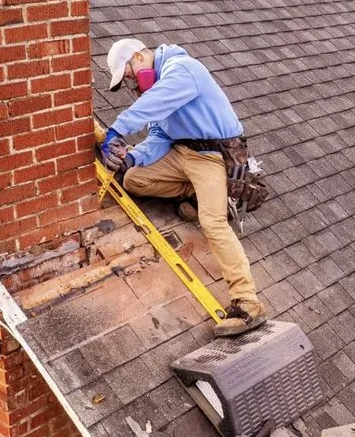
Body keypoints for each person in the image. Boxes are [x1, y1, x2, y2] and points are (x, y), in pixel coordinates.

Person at [100, 38, 267, 337]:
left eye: (127, 77)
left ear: (139, 57)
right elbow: (159, 137)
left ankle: (248, 302)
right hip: (182, 153)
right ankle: (193, 193)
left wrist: (116, 130)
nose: (131, 87)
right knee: (134, 179)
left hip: (211, 156)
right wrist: (131, 156)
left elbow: (152, 105)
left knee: (212, 222)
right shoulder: (157, 92)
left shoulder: (182, 70)